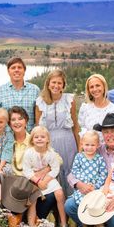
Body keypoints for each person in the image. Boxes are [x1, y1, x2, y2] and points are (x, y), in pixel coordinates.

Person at [35, 69, 80, 197]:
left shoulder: (69, 100)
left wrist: (79, 147)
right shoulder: (40, 102)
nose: (56, 86)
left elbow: (75, 126)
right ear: (48, 84)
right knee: (53, 171)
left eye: (59, 83)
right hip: (49, 144)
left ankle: (70, 203)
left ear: (63, 85)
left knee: (70, 170)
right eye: (53, 82)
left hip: (68, 141)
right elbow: (37, 129)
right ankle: (57, 208)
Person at [64, 131, 107, 227]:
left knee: (93, 205)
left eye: (92, 145)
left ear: (97, 145)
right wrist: (83, 183)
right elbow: (75, 171)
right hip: (82, 189)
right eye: (87, 145)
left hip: (94, 189)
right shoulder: (79, 157)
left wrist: (95, 186)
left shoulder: (99, 159)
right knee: (79, 205)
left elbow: (103, 174)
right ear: (82, 144)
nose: (89, 148)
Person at [22, 126, 67, 227]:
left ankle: (63, 223)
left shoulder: (51, 153)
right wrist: (38, 181)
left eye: (42, 137)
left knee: (59, 193)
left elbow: (55, 168)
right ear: (32, 140)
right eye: (36, 137)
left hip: (48, 178)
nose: (39, 139)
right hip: (33, 179)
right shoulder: (29, 153)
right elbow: (27, 170)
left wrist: (45, 180)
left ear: (47, 140)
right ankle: (32, 225)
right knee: (33, 199)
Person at [0, 57, 40, 132]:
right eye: (13, 68)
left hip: (29, 138)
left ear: (24, 71)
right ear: (8, 71)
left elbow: (39, 118)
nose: (16, 70)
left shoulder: (35, 90)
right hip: (6, 138)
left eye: (19, 67)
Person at [78, 73, 114, 139]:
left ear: (104, 87)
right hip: (90, 148)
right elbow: (83, 135)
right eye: (91, 87)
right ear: (88, 90)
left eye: (98, 85)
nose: (95, 89)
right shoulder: (85, 109)